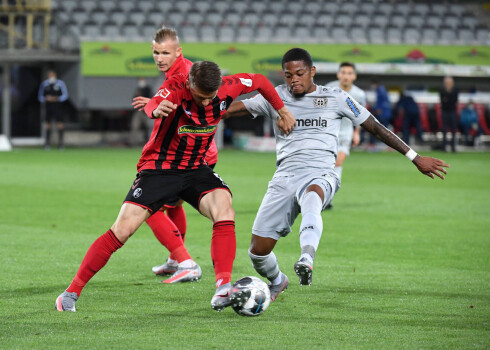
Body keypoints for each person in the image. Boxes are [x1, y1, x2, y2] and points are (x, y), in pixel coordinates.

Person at [55, 60, 296, 313]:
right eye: (200, 97)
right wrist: (155, 110)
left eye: (210, 97)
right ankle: (70, 292)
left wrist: (283, 110)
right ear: (190, 83)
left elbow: (258, 80)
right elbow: (152, 104)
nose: (205, 102)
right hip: (159, 169)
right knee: (122, 231)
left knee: (224, 208)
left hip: (195, 168)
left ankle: (223, 287)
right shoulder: (175, 87)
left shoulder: (228, 86)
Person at [223, 48, 449, 303]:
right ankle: (278, 281)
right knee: (258, 252)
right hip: (284, 177)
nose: (293, 80)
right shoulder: (276, 97)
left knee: (313, 196)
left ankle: (306, 258)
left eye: (299, 74)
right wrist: (202, 105)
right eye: (288, 75)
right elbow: (233, 109)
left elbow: (374, 126)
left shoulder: (335, 97)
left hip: (321, 172)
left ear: (312, 72)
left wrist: (415, 157)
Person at [131, 27, 207, 282]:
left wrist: (153, 106)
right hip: (194, 151)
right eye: (155, 52)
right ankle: (176, 260)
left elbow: (165, 103)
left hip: (181, 156)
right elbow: (163, 101)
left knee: (146, 209)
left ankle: (185, 260)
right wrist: (153, 102)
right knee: (172, 205)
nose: (159, 57)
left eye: (165, 52)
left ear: (178, 52)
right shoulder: (185, 70)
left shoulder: (182, 76)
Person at [326, 62, 366, 208]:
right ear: (338, 74)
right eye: (343, 72)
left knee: (337, 162)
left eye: (349, 73)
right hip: (328, 132)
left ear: (354, 76)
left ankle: (329, 197)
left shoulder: (359, 95)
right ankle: (323, 194)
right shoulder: (329, 88)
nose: (346, 76)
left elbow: (361, 116)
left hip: (345, 133)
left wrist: (357, 133)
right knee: (325, 165)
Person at [38, 70, 69, 150]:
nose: (52, 76)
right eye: (50, 75)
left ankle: (61, 144)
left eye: (53, 75)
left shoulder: (60, 83)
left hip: (58, 107)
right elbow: (40, 97)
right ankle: (47, 144)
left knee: (60, 124)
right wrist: (46, 98)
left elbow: (65, 95)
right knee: (48, 125)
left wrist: (57, 98)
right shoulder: (44, 84)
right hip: (48, 107)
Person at [129, 78, 153, 146]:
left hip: (146, 111)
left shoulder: (148, 89)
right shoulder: (138, 89)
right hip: (138, 111)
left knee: (149, 127)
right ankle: (133, 143)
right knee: (135, 126)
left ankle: (151, 143)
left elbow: (151, 99)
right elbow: (134, 99)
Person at [440, 76, 458, 152]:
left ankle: (453, 147)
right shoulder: (442, 90)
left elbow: (454, 100)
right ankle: (444, 147)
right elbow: (442, 101)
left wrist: (446, 100)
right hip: (445, 112)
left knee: (453, 130)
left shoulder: (455, 90)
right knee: (444, 129)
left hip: (452, 112)